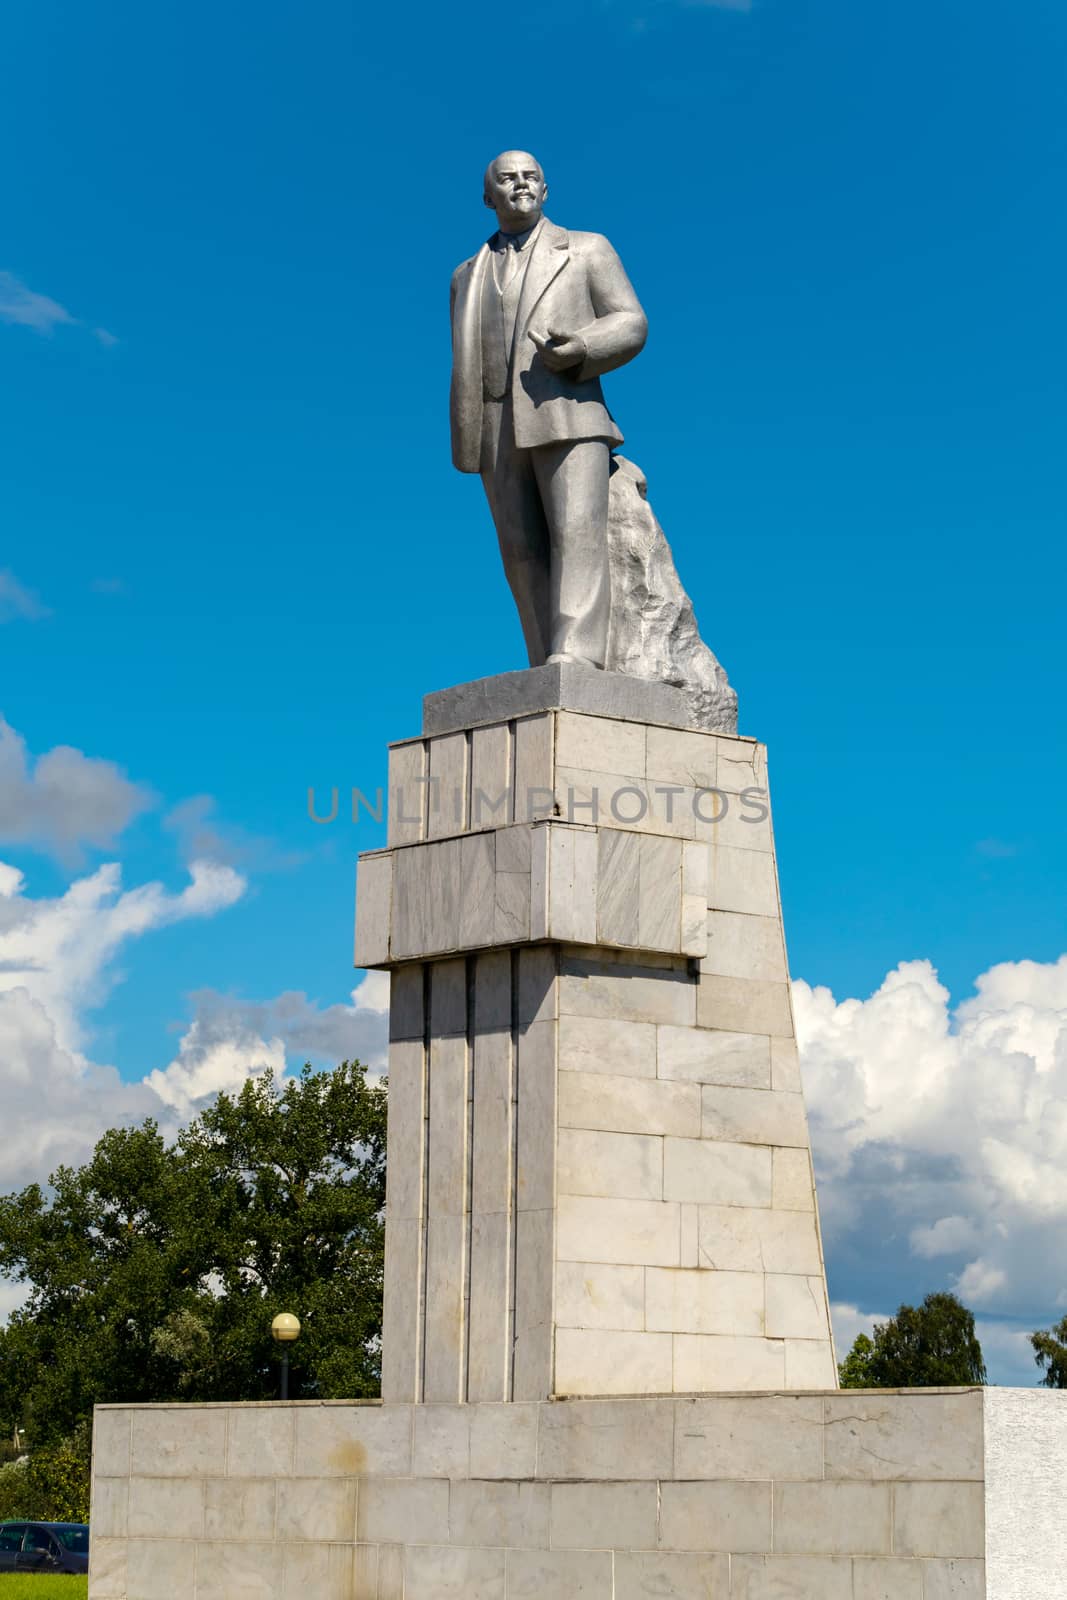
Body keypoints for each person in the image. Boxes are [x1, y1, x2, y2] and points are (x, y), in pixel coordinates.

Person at [450, 150, 647, 668]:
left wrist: (581, 346)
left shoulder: (586, 249)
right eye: (508, 178)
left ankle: (578, 654)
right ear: (487, 196)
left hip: (569, 410)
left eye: (531, 176)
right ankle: (544, 661)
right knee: (519, 552)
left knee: (576, 533)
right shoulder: (464, 276)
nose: (521, 185)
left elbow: (630, 322)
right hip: (494, 423)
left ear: (546, 189)